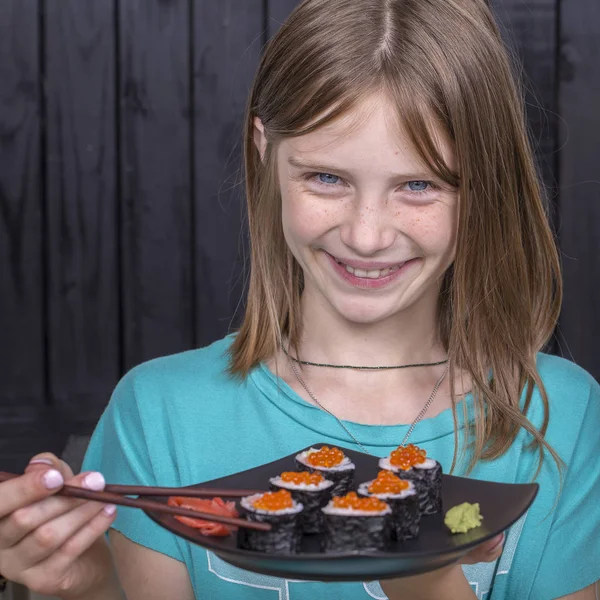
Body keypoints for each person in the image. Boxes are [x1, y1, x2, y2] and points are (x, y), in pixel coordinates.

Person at [1, 0, 599, 598]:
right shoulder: (158, 415)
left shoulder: (563, 418)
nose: (367, 235)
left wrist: (428, 576)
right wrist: (83, 588)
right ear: (265, 149)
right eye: (327, 178)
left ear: (486, 180)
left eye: (420, 185)